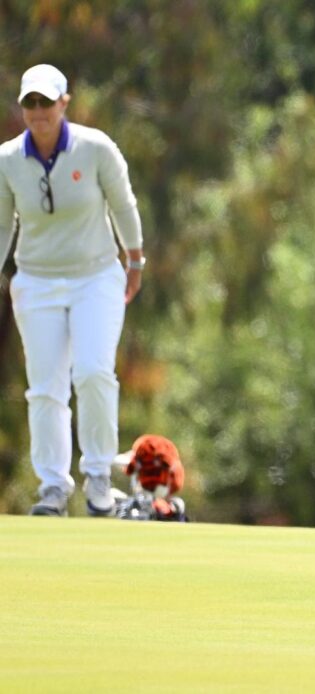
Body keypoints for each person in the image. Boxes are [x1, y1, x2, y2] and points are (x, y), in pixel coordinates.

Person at [0, 64, 145, 517]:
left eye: (47, 102)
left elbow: (123, 204)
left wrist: (135, 257)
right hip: (37, 280)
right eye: (30, 103)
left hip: (96, 275)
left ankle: (99, 478)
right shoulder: (6, 160)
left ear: (64, 103)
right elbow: (3, 223)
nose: (38, 111)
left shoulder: (96, 148)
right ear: (23, 107)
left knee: (93, 372)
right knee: (45, 388)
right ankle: (52, 488)